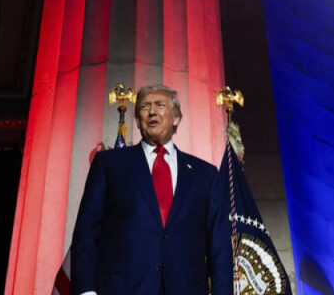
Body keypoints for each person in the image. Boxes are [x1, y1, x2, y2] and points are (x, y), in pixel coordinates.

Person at [71, 84, 233, 295]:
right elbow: (86, 231)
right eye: (145, 106)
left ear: (176, 118)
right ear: (138, 120)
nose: (152, 112)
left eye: (160, 105)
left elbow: (219, 244)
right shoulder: (109, 165)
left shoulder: (205, 174)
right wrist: (86, 291)